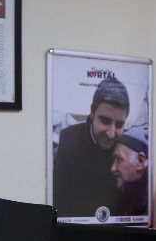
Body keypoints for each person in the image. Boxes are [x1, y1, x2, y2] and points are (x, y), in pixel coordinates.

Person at [52, 77, 129, 218]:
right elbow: (58, 199)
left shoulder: (128, 146)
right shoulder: (69, 140)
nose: (111, 134)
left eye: (119, 125)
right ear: (92, 113)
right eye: (105, 121)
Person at [109, 127, 150, 218]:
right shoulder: (127, 192)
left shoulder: (152, 202)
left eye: (119, 159)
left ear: (140, 161)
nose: (112, 168)